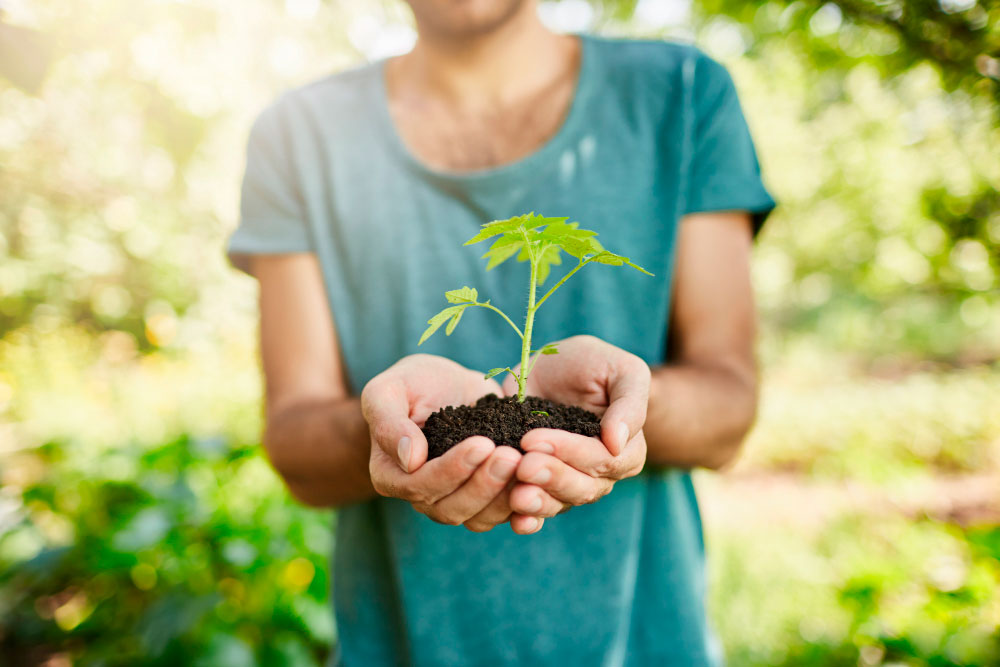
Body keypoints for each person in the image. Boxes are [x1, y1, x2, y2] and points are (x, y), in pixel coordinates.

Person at [227, 1, 775, 664]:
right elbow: (295, 443)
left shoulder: (682, 95)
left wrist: (617, 411)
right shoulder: (301, 133)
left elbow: (729, 407)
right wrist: (398, 431)